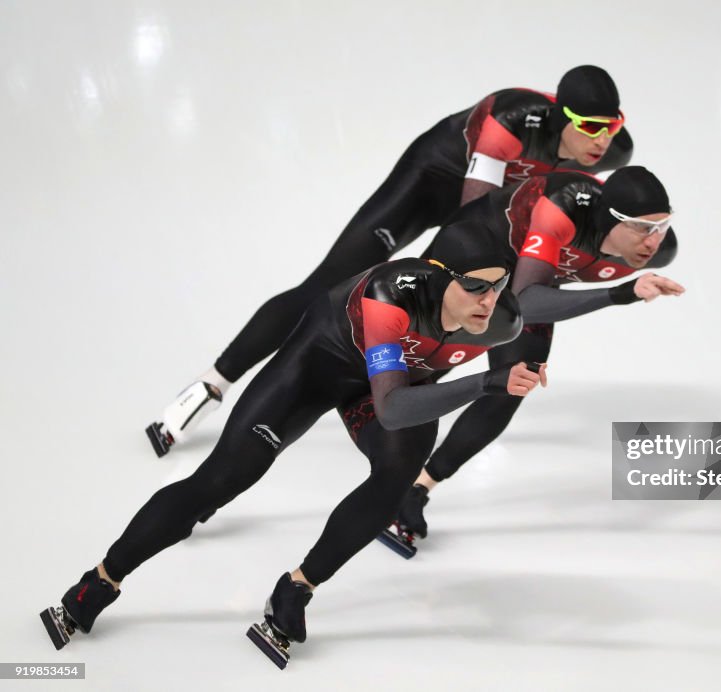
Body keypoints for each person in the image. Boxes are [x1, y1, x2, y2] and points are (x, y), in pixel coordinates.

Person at [40, 225, 547, 668]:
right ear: (439, 276)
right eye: (476, 287)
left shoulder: (499, 317)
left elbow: (542, 301)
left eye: (498, 285)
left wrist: (619, 293)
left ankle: (296, 589)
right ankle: (100, 581)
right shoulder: (390, 294)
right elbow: (391, 409)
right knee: (222, 479)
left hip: (392, 386)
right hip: (318, 368)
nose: (489, 300)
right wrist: (484, 383)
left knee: (395, 478)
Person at [148, 65, 631, 456]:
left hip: (489, 214)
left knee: (448, 321)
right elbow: (466, 220)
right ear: (558, 113)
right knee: (327, 285)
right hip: (434, 182)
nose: (601, 139)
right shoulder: (510, 120)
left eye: (612, 127)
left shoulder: (609, 150)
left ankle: (394, 433)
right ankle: (210, 386)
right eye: (589, 126)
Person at [386, 166, 683, 548]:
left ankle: (416, 488)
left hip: (533, 275)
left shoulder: (660, 249)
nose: (654, 241)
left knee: (511, 385)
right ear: (612, 219)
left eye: (662, 227)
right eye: (644, 228)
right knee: (422, 368)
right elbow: (526, 298)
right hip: (476, 256)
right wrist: (620, 294)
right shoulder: (560, 210)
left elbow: (527, 298)